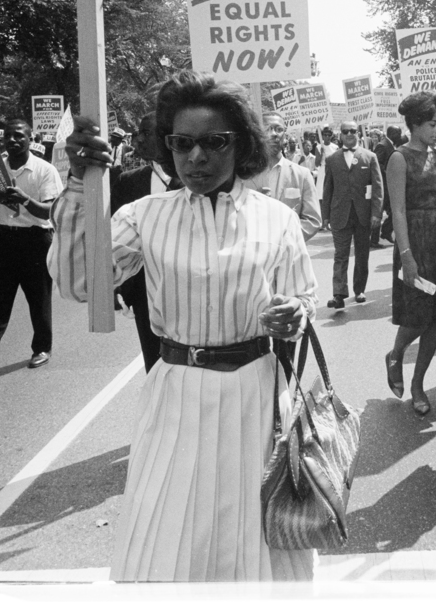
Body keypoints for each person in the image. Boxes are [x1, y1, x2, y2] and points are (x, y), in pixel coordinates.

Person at [51, 71, 316, 582]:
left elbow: (302, 298)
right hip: (176, 393)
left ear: (241, 145)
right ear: (166, 146)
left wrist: (293, 314)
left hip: (256, 398)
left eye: (213, 143)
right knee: (165, 537)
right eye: (181, 143)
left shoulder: (276, 219)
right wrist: (78, 185)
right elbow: (80, 281)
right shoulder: (144, 215)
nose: (196, 157)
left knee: (254, 544)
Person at [0, 118, 63, 388]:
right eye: (8, 136)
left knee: (38, 300)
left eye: (19, 136)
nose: (13, 140)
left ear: (30, 139)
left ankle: (42, 347)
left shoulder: (44, 170)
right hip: (3, 240)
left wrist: (24, 200)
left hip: (36, 241)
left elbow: (51, 211)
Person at [386, 91, 436, 416]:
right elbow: (398, 211)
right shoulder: (399, 158)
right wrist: (407, 256)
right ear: (414, 123)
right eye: (432, 123)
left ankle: (417, 384)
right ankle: (396, 353)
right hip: (414, 243)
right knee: (417, 316)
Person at [110, 112, 173, 374]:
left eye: (146, 133)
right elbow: (113, 241)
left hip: (191, 287)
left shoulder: (197, 181)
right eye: (137, 133)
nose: (138, 140)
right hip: (146, 293)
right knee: (155, 366)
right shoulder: (128, 181)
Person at [320, 119, 383, 308]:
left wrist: (376, 213)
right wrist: (325, 215)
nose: (349, 134)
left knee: (362, 254)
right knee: (341, 254)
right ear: (340, 135)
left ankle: (359, 290)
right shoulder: (332, 159)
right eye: (345, 131)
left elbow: (378, 188)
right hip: (340, 213)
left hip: (363, 214)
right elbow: (327, 189)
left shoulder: (369, 157)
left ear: (358, 134)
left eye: (352, 131)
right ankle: (339, 294)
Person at [249, 111, 323, 242]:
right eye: (267, 129)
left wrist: (282, 239)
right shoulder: (243, 175)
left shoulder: (302, 175)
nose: (273, 134)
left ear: (285, 134)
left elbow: (313, 221)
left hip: (289, 255)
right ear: (257, 133)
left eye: (279, 129)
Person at [372, 124, 399, 246]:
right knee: (379, 212)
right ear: (392, 133)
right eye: (398, 133)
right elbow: (376, 165)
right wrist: (388, 170)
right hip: (383, 185)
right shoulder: (382, 145)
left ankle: (386, 232)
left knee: (393, 210)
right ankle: (374, 240)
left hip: (389, 185)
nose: (400, 136)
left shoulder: (389, 144)